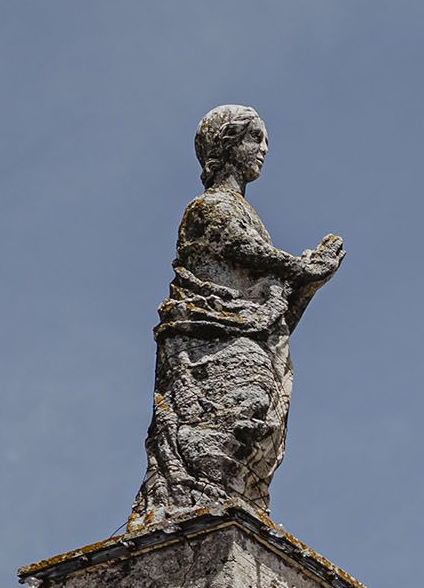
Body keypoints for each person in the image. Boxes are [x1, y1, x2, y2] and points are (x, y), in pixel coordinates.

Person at [129, 104, 344, 527]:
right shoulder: (208, 207)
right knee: (234, 414)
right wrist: (303, 268)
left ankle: (230, 501)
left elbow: (274, 314)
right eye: (254, 137)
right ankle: (200, 499)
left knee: (259, 422)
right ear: (226, 144)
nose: (263, 148)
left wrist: (311, 281)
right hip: (210, 337)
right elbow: (236, 245)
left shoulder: (249, 217)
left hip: (247, 336)